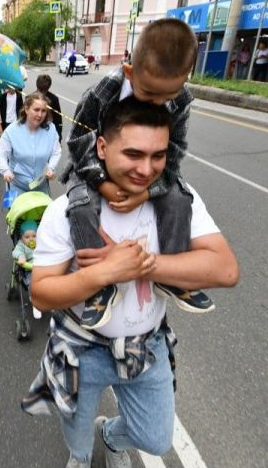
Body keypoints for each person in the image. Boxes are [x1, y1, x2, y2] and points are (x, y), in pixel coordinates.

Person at [23, 97, 239, 468]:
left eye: (158, 155)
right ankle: (81, 457)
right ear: (102, 148)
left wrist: (142, 265)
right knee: (76, 427)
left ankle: (113, 438)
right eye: (134, 153)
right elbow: (41, 292)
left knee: (156, 438)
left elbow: (225, 269)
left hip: (146, 344)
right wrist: (103, 273)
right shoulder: (68, 209)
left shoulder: (178, 199)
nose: (146, 169)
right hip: (82, 345)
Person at [63, 18, 214, 327]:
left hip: (149, 173)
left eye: (167, 97)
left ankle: (171, 275)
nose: (158, 104)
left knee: (179, 200)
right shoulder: (103, 91)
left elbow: (174, 154)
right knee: (79, 205)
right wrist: (102, 183)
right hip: (95, 168)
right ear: (131, 72)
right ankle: (99, 285)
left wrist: (147, 193)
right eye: (149, 94)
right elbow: (79, 141)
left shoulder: (181, 99)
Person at [0, 93, 62, 195]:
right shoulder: (12, 130)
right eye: (36, 110)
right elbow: (1, 154)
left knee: (45, 211)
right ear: (26, 109)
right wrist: (5, 171)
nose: (40, 115)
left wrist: (51, 168)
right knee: (16, 211)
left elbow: (56, 151)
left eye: (43, 111)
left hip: (41, 185)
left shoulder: (51, 129)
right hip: (16, 185)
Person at [36, 74, 63, 139]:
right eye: (41, 90)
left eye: (45, 91)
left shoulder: (54, 99)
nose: (42, 94)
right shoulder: (29, 98)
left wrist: (59, 137)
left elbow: (58, 119)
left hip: (48, 133)